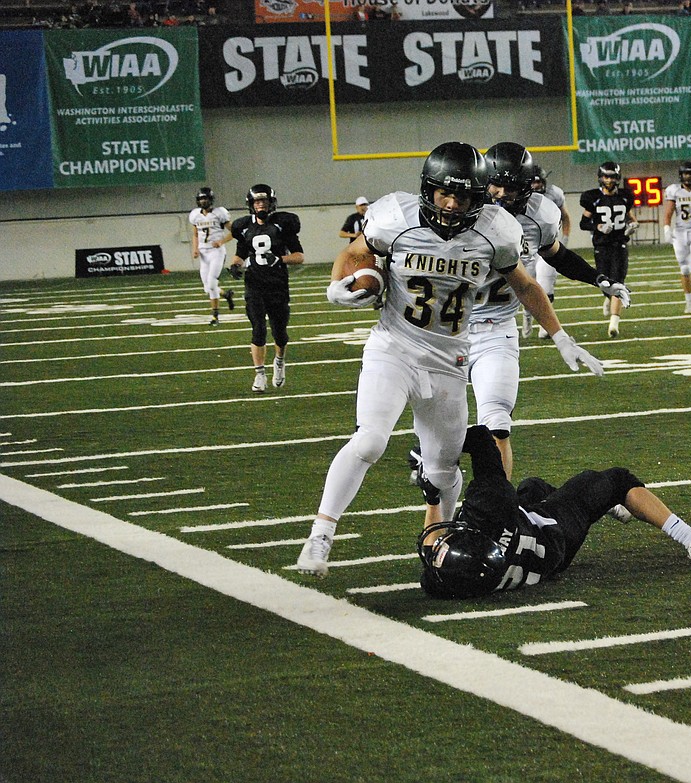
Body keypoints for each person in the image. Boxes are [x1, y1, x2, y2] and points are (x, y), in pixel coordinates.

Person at [298, 142, 601, 578]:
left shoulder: (495, 230)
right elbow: (355, 254)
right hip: (395, 348)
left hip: (448, 361)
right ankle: (320, 536)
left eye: (462, 195)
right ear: (427, 189)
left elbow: (526, 285)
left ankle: (442, 536)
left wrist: (561, 336)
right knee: (370, 440)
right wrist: (337, 284)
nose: (452, 203)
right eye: (444, 193)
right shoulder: (394, 218)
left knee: (442, 473)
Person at [417, 425, 691, 598]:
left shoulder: (454, 581)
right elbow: (479, 439)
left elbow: (436, 553)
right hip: (553, 535)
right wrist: (432, 455)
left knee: (533, 486)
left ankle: (606, 505)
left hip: (528, 549)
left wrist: (434, 498)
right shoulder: (490, 509)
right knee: (614, 480)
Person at [468, 141, 624, 478]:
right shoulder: (461, 209)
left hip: (497, 325)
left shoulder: (538, 216)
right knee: (435, 439)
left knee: (497, 423)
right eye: (496, 184)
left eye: (511, 187)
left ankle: (498, 510)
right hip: (446, 329)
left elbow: (556, 256)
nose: (501, 193)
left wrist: (597, 278)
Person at [226, 184, 303, 393]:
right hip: (254, 284)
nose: (261, 205)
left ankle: (279, 361)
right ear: (251, 205)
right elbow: (240, 253)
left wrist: (279, 258)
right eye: (257, 201)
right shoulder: (243, 227)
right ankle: (259, 374)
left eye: (264, 201)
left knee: (280, 332)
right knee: (258, 329)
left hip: (277, 285)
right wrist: (235, 265)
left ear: (271, 203)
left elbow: (299, 256)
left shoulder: (283, 224)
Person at [580, 161, 637, 338]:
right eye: (606, 176)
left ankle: (614, 323)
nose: (609, 180)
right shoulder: (592, 198)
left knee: (618, 280)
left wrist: (633, 225)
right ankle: (608, 298)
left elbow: (630, 217)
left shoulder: (625, 197)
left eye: (612, 176)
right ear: (600, 178)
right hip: (601, 245)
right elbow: (583, 223)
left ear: (617, 178)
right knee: (605, 283)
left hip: (619, 244)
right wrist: (598, 227)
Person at [525, 166, 572, 337]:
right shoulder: (521, 197)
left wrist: (564, 239)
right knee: (527, 283)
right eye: (533, 181)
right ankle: (527, 315)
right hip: (527, 246)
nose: (537, 185)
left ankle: (544, 326)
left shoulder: (555, 194)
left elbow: (565, 216)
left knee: (546, 284)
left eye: (539, 181)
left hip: (549, 244)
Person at [662, 161, 691, 314]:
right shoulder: (674, 190)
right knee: (684, 268)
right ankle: (689, 302)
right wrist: (667, 227)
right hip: (680, 233)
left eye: (690, 173)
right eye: (685, 173)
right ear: (681, 175)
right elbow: (669, 211)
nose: (688, 176)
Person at [188, 186, 234, 326]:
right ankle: (223, 300)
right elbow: (196, 234)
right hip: (203, 253)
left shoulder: (220, 213)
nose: (203, 201)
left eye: (206, 198)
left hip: (216, 252)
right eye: (201, 199)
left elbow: (234, 232)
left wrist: (221, 241)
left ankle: (218, 310)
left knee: (212, 283)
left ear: (211, 200)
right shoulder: (195, 215)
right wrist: (195, 249)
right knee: (208, 287)